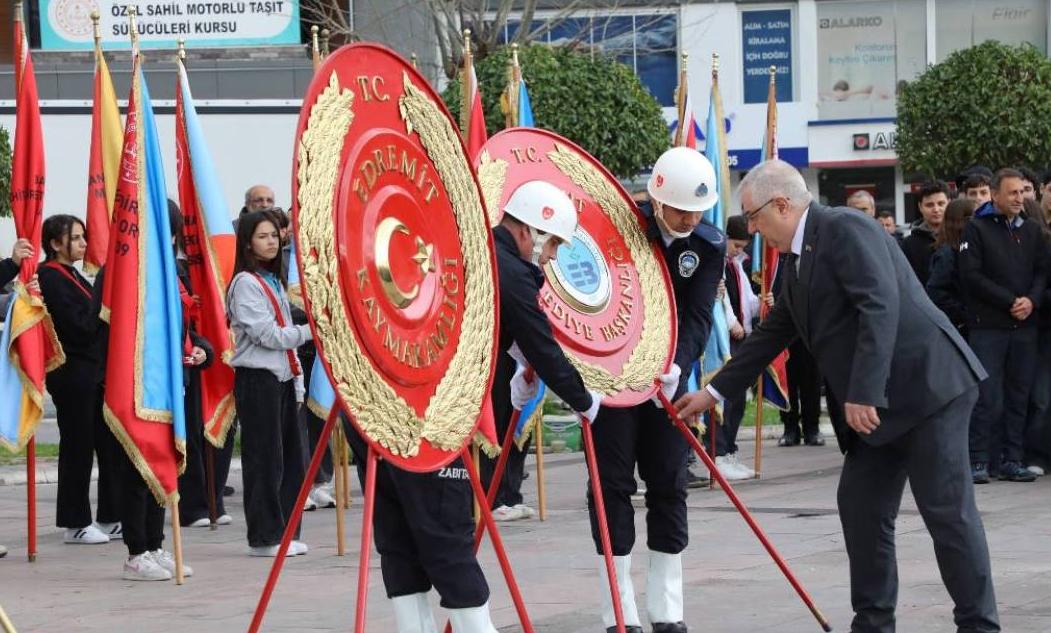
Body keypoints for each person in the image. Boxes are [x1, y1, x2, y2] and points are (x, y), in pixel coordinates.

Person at [675, 159, 999, 633]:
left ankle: (979, 625)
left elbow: (879, 304)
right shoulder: (796, 255)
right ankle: (872, 623)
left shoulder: (845, 227)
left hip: (927, 388)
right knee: (861, 506)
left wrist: (864, 391)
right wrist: (714, 391)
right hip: (879, 407)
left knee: (947, 513)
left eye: (755, 218)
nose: (754, 230)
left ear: (781, 204)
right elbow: (776, 329)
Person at [583, 147, 723, 633]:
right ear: (656, 199)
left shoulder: (708, 244)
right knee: (611, 488)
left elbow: (700, 314)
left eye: (697, 209)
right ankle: (619, 613)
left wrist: (678, 363)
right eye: (681, 209)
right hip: (614, 383)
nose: (689, 218)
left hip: (668, 385)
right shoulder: (617, 229)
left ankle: (668, 611)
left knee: (669, 485)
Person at [481, 180, 603, 524]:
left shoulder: (488, 250)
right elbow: (542, 346)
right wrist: (584, 400)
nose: (552, 256)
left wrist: (521, 359)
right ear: (527, 232)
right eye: (552, 243)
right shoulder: (511, 271)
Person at [227, 209, 312, 557]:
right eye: (262, 236)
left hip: (282, 377)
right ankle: (264, 536)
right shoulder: (245, 283)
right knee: (264, 460)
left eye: (275, 236)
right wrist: (311, 332)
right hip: (258, 378)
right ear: (247, 242)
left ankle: (287, 530)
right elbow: (267, 335)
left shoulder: (273, 280)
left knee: (291, 459)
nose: (271, 242)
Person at [38, 215, 122, 545]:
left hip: (94, 371)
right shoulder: (50, 277)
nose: (83, 243)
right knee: (78, 446)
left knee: (108, 443)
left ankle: (111, 515)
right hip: (72, 372)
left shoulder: (74, 275)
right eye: (75, 238)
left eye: (84, 236)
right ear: (55, 243)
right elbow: (78, 324)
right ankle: (75, 522)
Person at [960, 168, 1046, 484]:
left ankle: (1012, 459)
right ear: (995, 195)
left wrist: (1031, 301)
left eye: (1022, 192)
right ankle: (980, 460)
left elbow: (1042, 272)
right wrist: (1010, 300)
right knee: (987, 397)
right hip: (989, 327)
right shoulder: (977, 230)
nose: (1018, 198)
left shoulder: (1033, 231)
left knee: (1019, 396)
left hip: (1025, 328)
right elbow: (971, 276)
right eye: (1012, 193)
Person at [168, 201, 224, 529]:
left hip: (185, 368)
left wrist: (202, 350)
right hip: (154, 374)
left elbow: (191, 326)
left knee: (189, 436)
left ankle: (194, 505)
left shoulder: (181, 270)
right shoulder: (131, 272)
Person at [711, 214, 759, 480]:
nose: (739, 251)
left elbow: (746, 298)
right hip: (728, 337)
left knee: (739, 399)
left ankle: (730, 449)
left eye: (743, 247)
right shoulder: (719, 263)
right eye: (736, 245)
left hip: (744, 336)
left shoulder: (738, 265)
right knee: (725, 398)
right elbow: (723, 299)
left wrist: (762, 304)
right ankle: (719, 453)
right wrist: (731, 323)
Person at [1021, 197, 1051, 477]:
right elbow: (1040, 283)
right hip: (1043, 329)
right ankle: (1038, 455)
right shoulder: (1043, 241)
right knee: (1041, 397)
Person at [926, 198, 976, 337]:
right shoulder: (947, 254)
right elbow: (936, 292)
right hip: (959, 329)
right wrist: (965, 314)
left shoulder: (965, 249)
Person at [900, 180, 949, 285]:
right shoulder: (908, 244)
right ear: (920, 207)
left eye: (941, 204)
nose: (936, 209)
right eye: (929, 205)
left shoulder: (960, 236)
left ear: (949, 203)